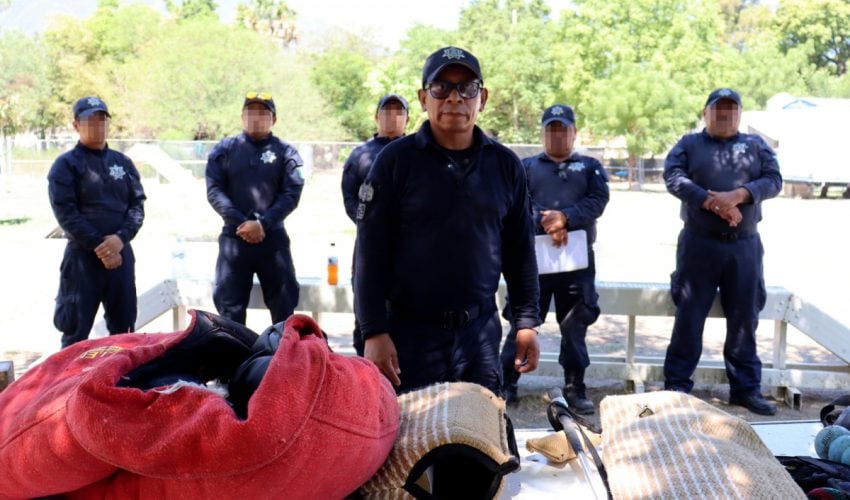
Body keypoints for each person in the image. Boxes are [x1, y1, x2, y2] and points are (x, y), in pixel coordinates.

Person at [353, 46, 541, 395]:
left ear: (481, 98)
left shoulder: (505, 166)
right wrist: (374, 331)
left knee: (480, 442)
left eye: (467, 88)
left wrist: (526, 322)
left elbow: (520, 253)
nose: (455, 97)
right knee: (407, 443)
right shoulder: (395, 161)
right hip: (407, 336)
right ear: (424, 98)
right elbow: (369, 254)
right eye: (441, 87)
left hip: (479, 338)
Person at [663, 88, 783, 416]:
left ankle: (745, 389)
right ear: (706, 113)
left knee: (745, 316)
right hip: (698, 244)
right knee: (689, 316)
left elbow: (774, 180)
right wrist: (712, 201)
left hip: (744, 247)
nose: (724, 115)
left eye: (731, 110)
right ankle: (676, 386)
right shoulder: (688, 144)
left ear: (740, 114)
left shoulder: (756, 146)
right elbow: (672, 178)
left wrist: (740, 194)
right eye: (718, 110)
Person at [500, 104, 609, 413]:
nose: (557, 135)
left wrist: (566, 218)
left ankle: (575, 387)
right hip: (532, 265)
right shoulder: (525, 166)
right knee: (522, 324)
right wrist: (546, 221)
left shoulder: (590, 167)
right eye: (551, 129)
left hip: (576, 266)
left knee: (575, 328)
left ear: (574, 132)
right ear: (543, 133)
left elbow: (598, 201)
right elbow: (517, 202)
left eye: (563, 129)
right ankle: (507, 384)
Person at [48, 96, 146, 348]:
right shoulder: (66, 165)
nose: (97, 125)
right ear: (75, 125)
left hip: (121, 256)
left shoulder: (122, 163)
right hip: (82, 260)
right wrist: (100, 246)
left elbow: (137, 206)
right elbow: (66, 212)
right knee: (74, 332)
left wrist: (120, 238)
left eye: (101, 119)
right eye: (90, 120)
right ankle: (69, 386)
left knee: (123, 331)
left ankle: (119, 382)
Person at [206, 91, 305, 325]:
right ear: (242, 117)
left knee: (283, 306)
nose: (256, 117)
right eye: (251, 112)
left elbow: (291, 194)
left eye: (263, 112)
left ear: (274, 119)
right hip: (234, 239)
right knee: (230, 309)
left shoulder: (286, 152)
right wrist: (242, 223)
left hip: (273, 239)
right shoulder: (225, 150)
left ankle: (283, 357)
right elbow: (214, 191)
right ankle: (235, 360)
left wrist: (263, 223)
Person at [341, 93, 409, 356]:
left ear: (407, 118)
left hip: (411, 249)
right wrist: (374, 228)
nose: (392, 117)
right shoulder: (360, 156)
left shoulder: (417, 153)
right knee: (368, 313)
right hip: (370, 246)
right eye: (386, 112)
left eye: (398, 112)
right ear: (376, 117)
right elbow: (350, 198)